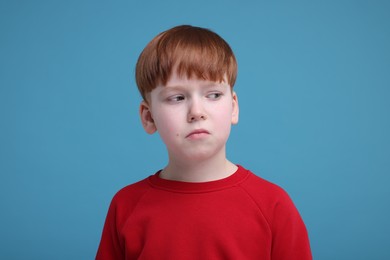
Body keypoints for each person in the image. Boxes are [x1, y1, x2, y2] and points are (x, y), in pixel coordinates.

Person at [96, 25, 312, 260]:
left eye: (213, 95)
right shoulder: (126, 206)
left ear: (234, 106)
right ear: (148, 117)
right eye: (177, 98)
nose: (197, 112)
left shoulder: (273, 205)